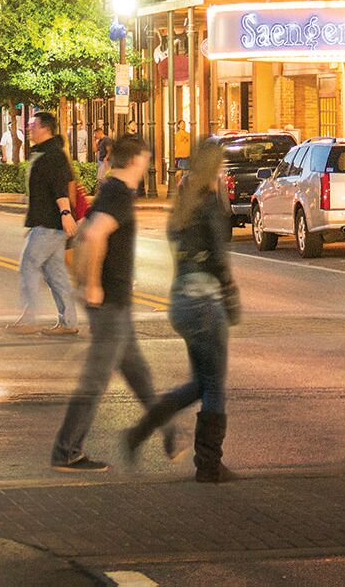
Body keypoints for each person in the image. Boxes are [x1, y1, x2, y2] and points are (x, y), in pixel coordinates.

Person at [123, 135, 240, 480]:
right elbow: (218, 256)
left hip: (182, 301)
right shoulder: (209, 202)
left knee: (200, 383)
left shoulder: (183, 203)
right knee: (214, 385)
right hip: (205, 304)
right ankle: (209, 465)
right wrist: (230, 294)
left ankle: (142, 429)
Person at [50, 136, 163, 470]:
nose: (148, 165)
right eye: (146, 159)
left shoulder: (112, 190)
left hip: (116, 302)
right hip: (109, 303)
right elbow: (94, 233)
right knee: (95, 381)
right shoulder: (118, 194)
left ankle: (171, 433)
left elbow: (87, 229)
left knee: (138, 372)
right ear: (137, 159)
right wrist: (94, 284)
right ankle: (66, 451)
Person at [10, 113, 83, 336]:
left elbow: (60, 187)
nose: (29, 129)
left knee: (29, 265)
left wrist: (66, 213)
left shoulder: (53, 155)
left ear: (45, 128)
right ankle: (68, 322)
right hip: (46, 223)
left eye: (33, 125)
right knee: (56, 274)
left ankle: (30, 319)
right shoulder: (45, 152)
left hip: (50, 224)